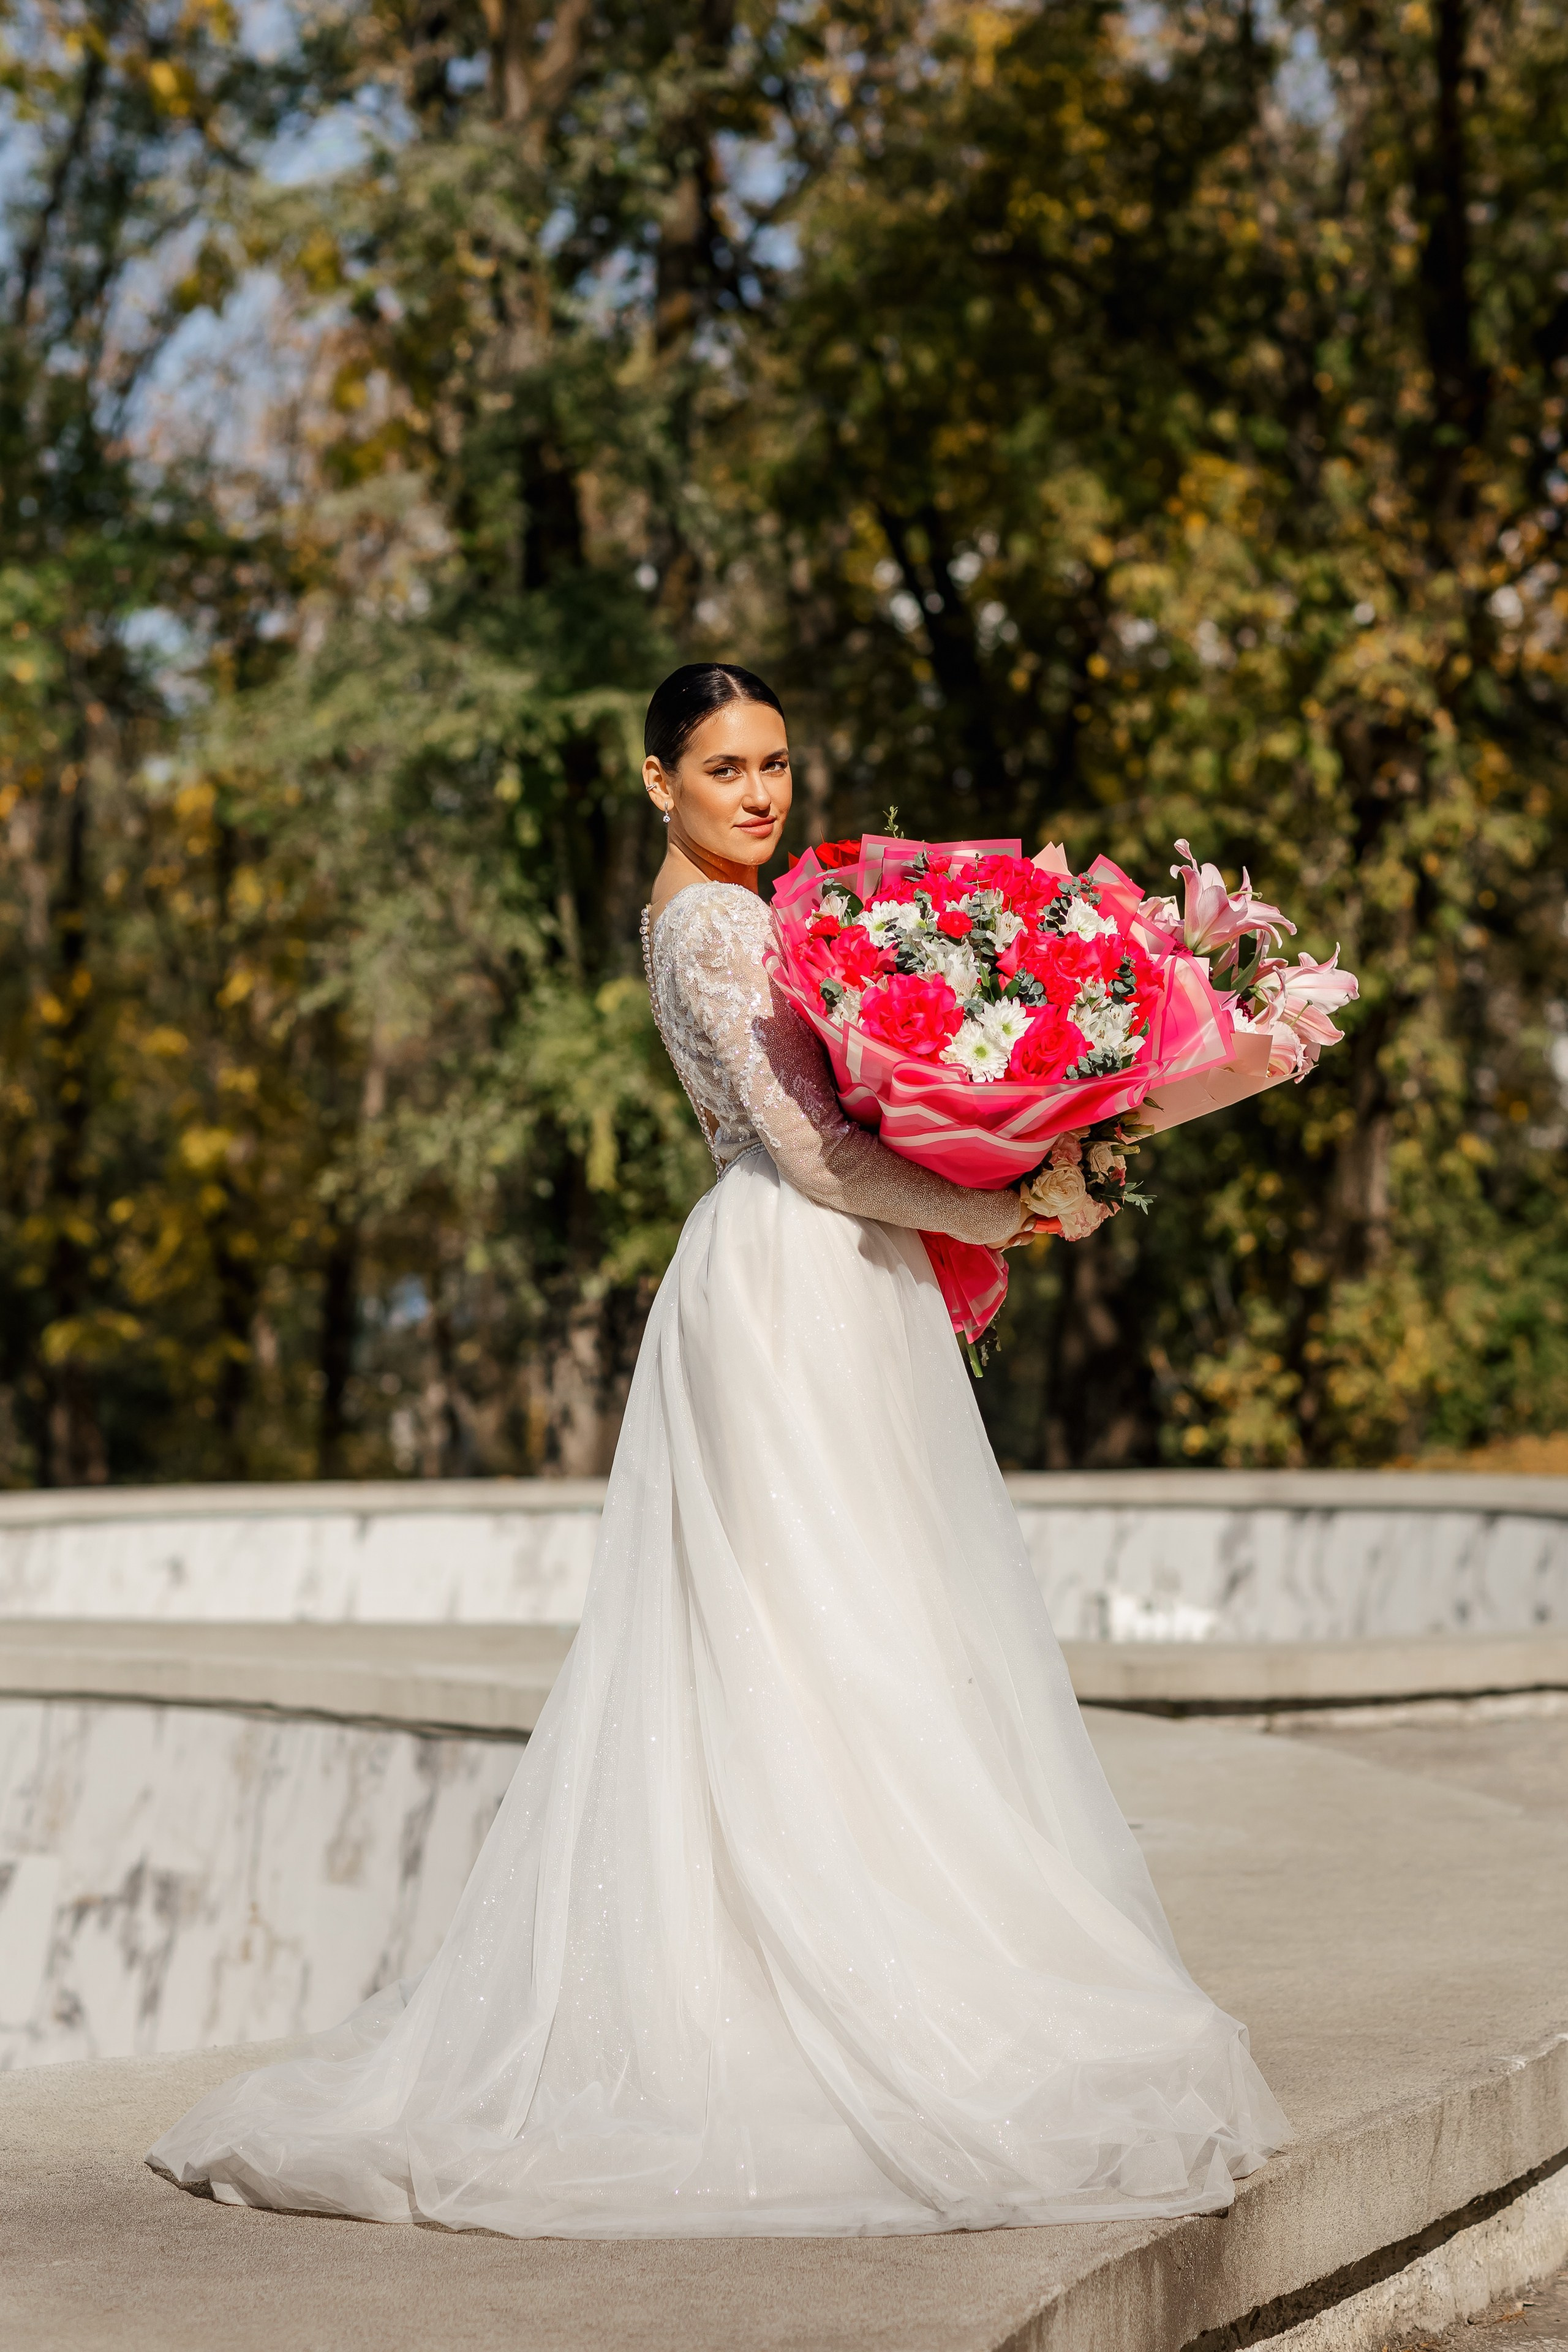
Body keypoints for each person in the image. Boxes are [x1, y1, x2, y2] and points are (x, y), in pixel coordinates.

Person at [148, 662, 1286, 2237]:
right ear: (656, 781)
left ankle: (859, 1943)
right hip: (789, 1276)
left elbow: (858, 1126)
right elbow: (814, 1152)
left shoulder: (741, 912)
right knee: (818, 1621)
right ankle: (822, 1990)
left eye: (774, 764)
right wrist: (1004, 1204)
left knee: (844, 1614)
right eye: (722, 768)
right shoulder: (714, 929)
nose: (757, 793)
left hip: (822, 1275)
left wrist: (1014, 1136)